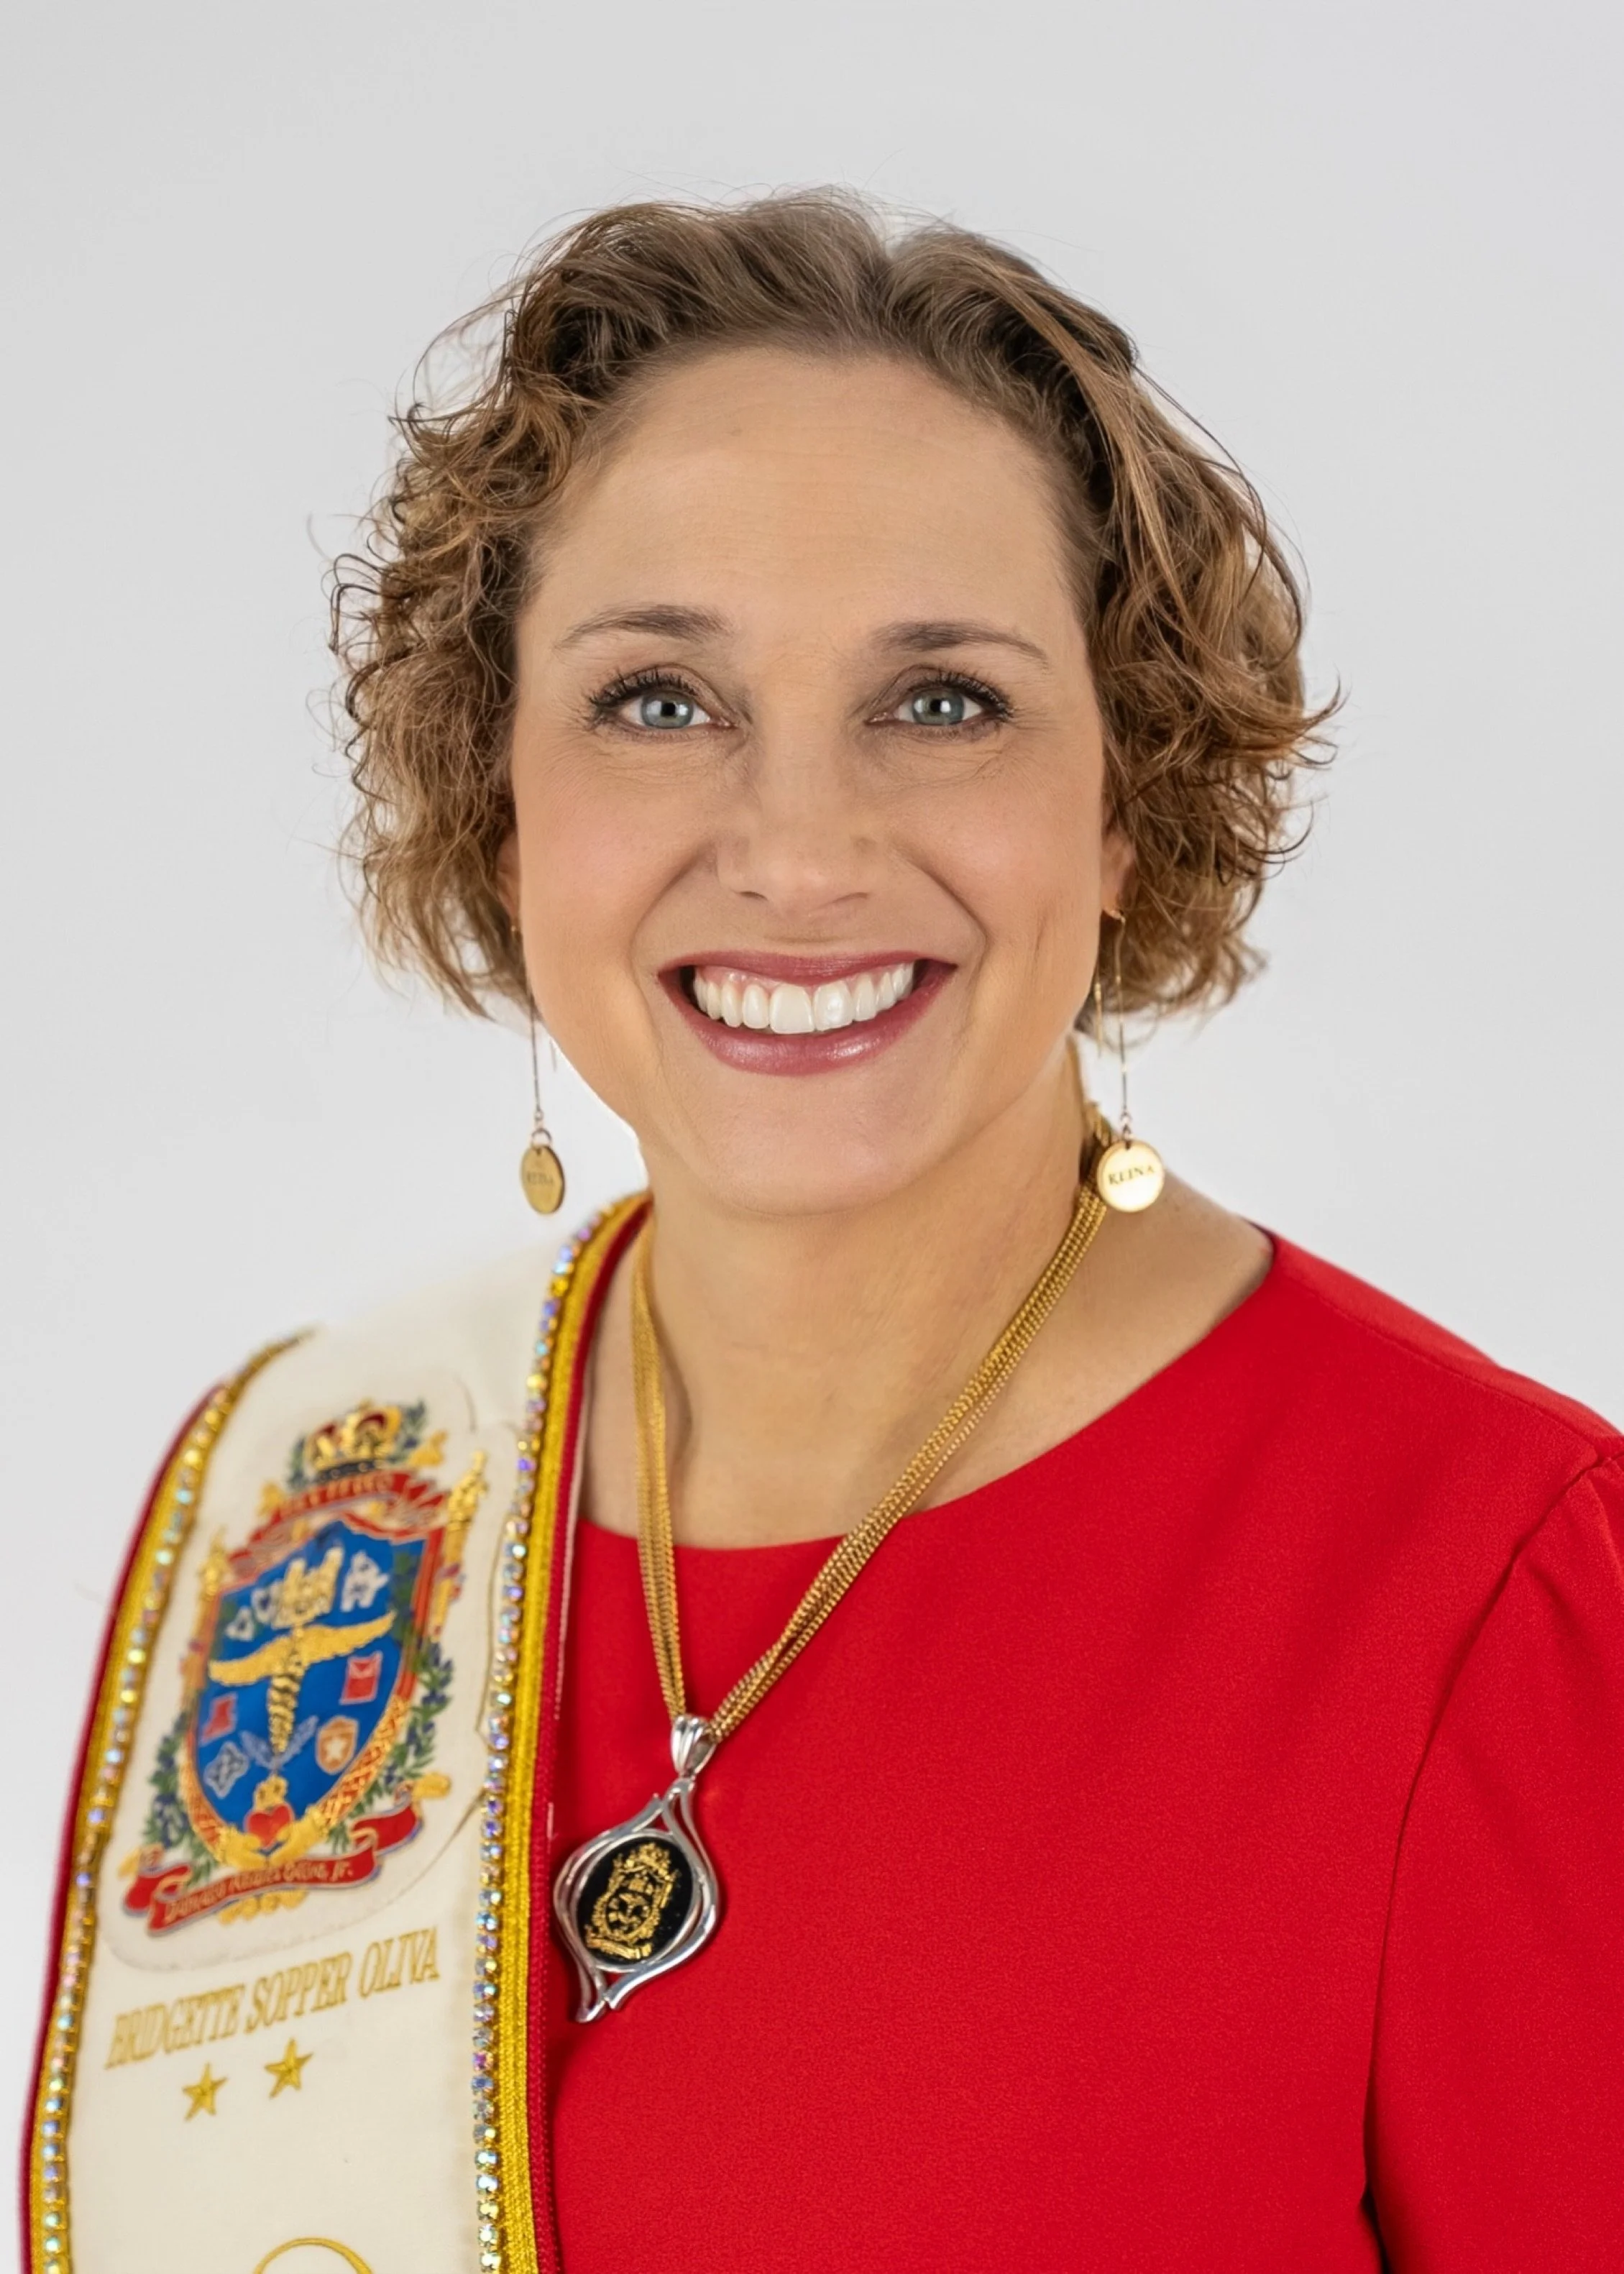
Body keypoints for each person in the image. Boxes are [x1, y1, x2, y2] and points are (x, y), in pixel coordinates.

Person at [27, 193, 1623, 2274]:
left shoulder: (1490, 1589)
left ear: (1126, 797)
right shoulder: (301, 1521)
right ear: (497, 792)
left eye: (942, 700)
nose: (796, 850)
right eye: (659, 700)